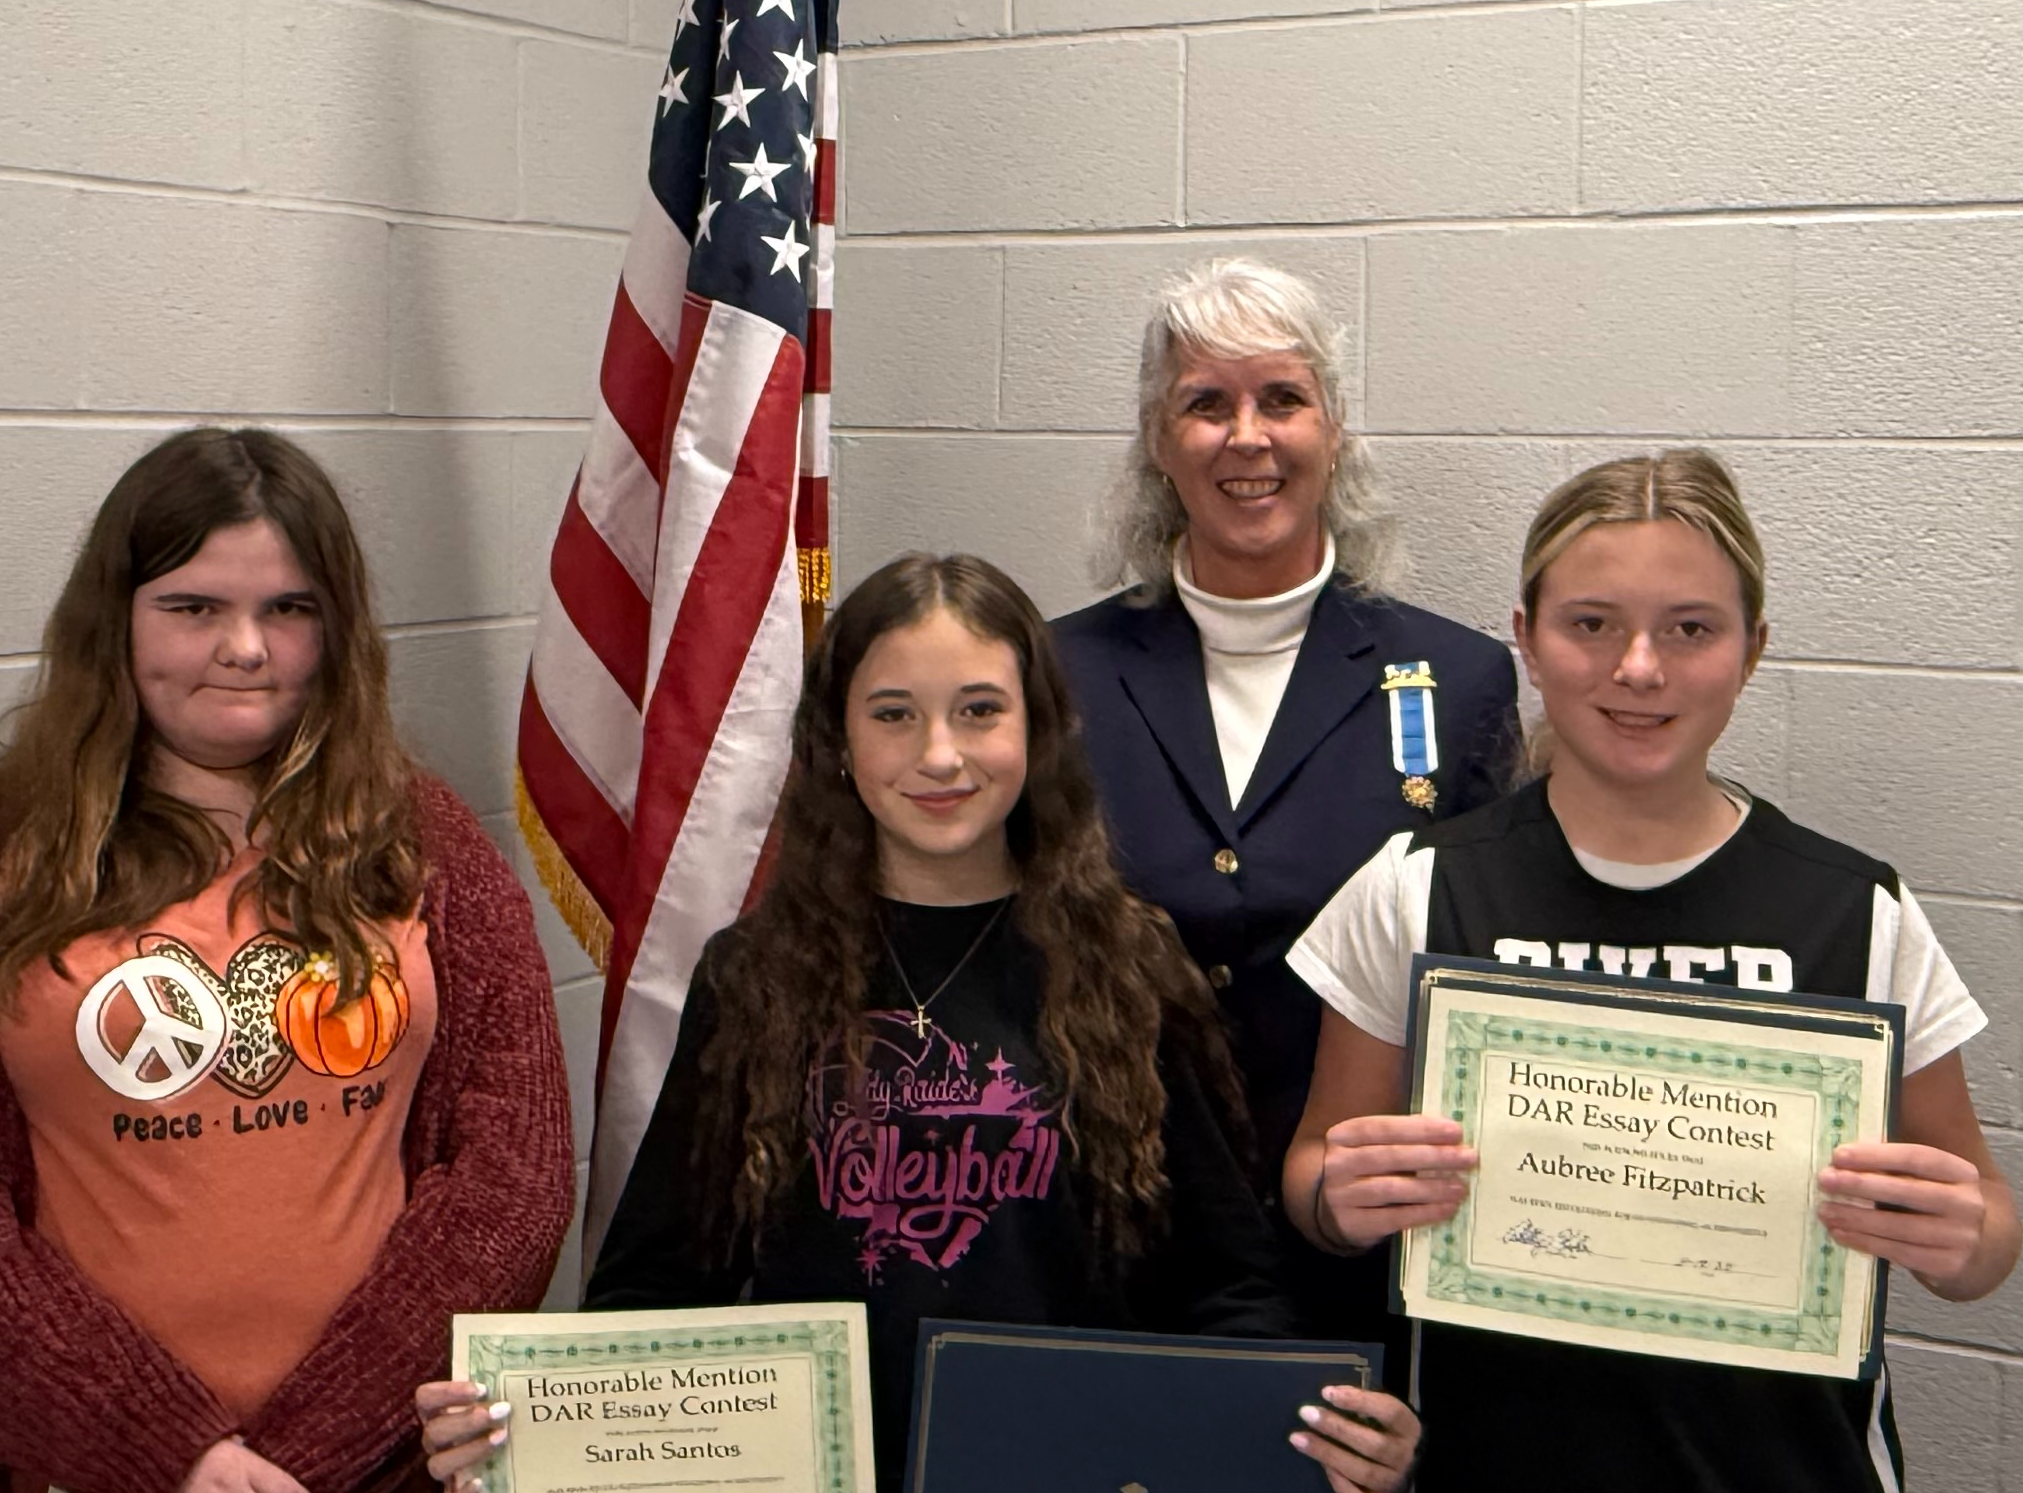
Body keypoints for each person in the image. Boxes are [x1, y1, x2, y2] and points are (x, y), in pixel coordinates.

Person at [415, 554, 1424, 1493]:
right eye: (893, 713)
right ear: (839, 742)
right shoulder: (753, 974)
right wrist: (524, 1426)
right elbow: (655, 1286)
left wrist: (1313, 1426)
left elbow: (1226, 1286)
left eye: (980, 710)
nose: (939, 754)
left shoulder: (1130, 966)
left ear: (1037, 728)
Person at [1282, 450, 2022, 1491]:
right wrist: (1340, 1198)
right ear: (1527, 640)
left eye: (1691, 627)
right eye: (1590, 623)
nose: (1639, 667)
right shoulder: (1416, 889)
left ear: (1752, 648)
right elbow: (1315, 1171)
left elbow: (1987, 1231)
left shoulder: (1856, 910)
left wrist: (1958, 1235)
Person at [0, 429, 572, 1493]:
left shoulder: (421, 835)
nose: (246, 646)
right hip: (79, 1471)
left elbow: (515, 1171)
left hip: (377, 1470)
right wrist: (167, 1449)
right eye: (193, 607)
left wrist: (311, 1452)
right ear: (118, 619)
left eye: (290, 608)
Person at [1052, 257, 1517, 1344]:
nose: (1247, 435)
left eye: (1282, 399)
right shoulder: (1052, 675)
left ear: (1335, 428)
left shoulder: (1461, 679)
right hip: (1116, 1238)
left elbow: (1481, 979)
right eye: (1205, 403)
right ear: (1158, 443)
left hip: (1361, 1251)